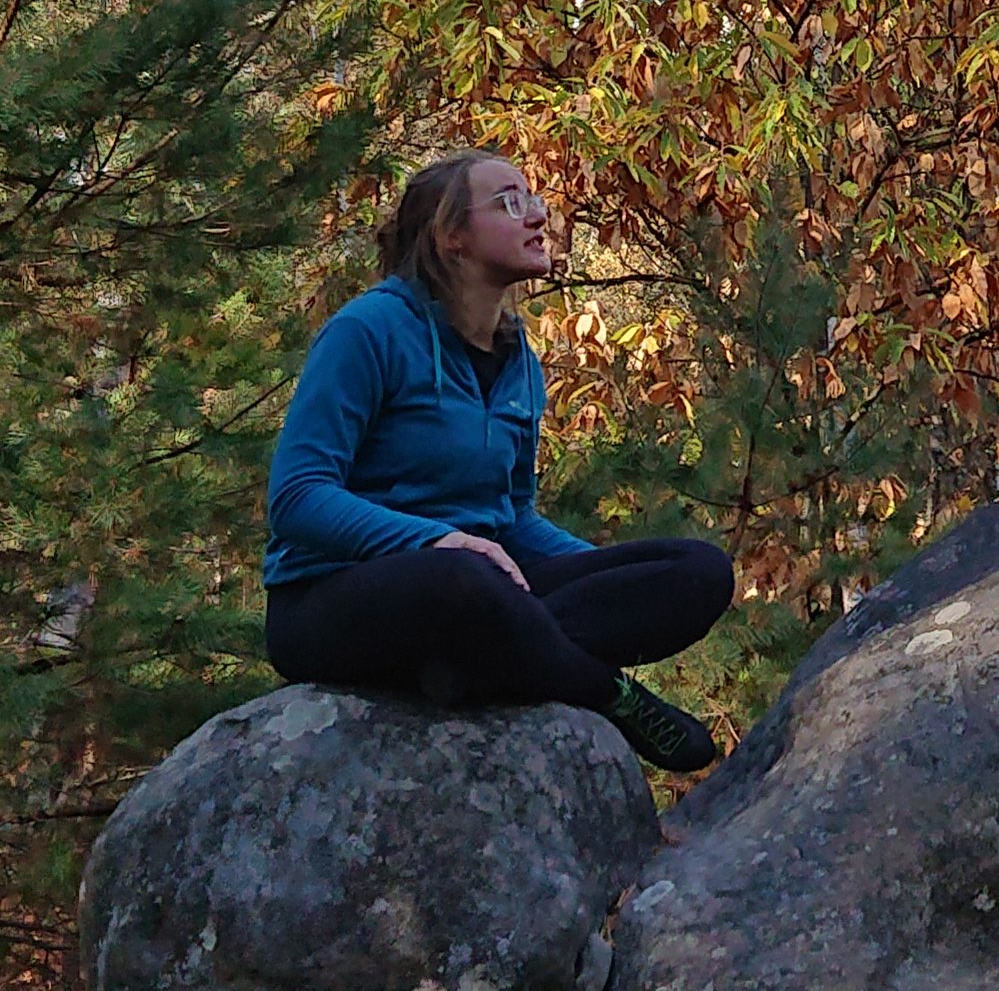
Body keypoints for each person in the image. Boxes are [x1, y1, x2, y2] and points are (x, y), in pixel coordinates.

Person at [262, 146, 734, 771]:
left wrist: (609, 577)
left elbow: (511, 517)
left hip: (484, 592)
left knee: (697, 571)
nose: (538, 216)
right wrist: (438, 542)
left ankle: (476, 662)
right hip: (336, 598)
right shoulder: (368, 331)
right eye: (511, 203)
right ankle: (605, 692)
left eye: (534, 200)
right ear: (452, 236)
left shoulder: (519, 362)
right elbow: (297, 497)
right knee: (463, 580)